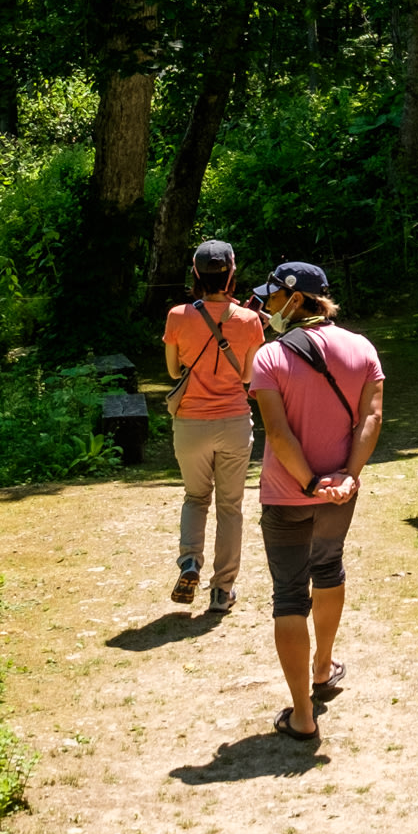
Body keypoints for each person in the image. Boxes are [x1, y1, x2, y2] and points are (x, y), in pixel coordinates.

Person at [247, 260, 383, 743]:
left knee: (289, 594)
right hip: (340, 494)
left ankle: (302, 714)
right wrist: (346, 477)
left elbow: (277, 434)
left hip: (288, 496)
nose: (266, 306)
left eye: (273, 297)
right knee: (329, 570)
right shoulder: (363, 348)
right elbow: (371, 417)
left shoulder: (269, 358)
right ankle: (324, 666)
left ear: (297, 299)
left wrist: (308, 483)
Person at [162, 240, 267, 613]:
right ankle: (222, 590)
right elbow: (248, 376)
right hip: (234, 422)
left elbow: (174, 371)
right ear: (231, 273)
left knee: (195, 498)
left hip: (190, 422)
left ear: (196, 273)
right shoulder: (250, 320)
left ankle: (190, 561)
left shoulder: (177, 316)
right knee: (230, 506)